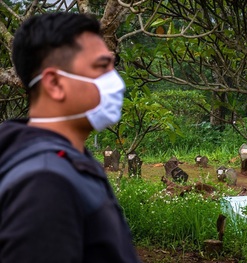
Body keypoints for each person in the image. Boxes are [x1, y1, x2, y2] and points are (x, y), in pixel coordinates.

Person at [0, 12, 143, 263]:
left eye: (113, 66)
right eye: (101, 67)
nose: (116, 82)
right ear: (54, 83)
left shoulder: (61, 160)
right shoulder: (44, 182)